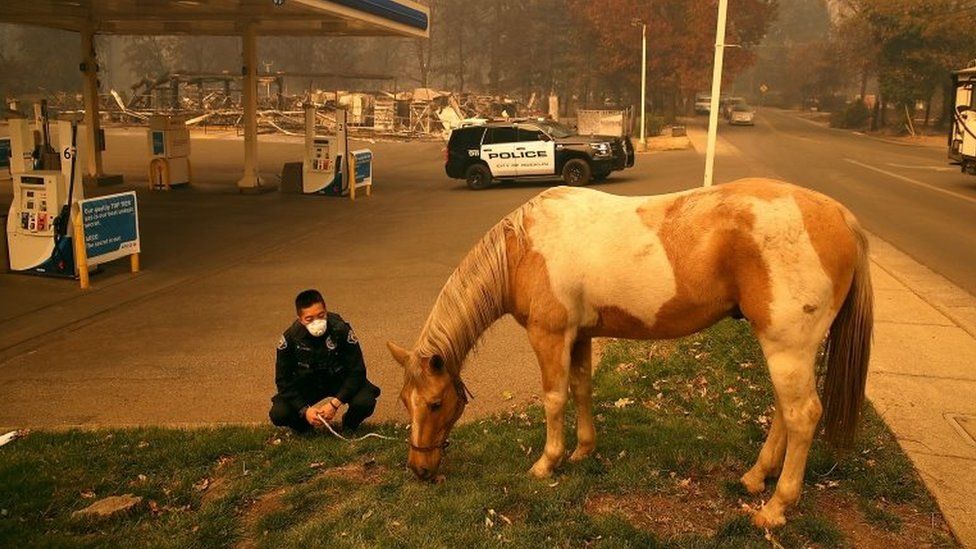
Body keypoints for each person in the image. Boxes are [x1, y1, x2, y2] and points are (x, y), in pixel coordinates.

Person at [269, 289, 380, 433]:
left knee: (365, 401)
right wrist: (304, 410)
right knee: (279, 413)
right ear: (300, 319)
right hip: (308, 383)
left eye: (321, 316)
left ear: (326, 311)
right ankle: (306, 427)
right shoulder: (290, 339)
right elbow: (283, 381)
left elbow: (357, 370)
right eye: (309, 319)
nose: (317, 322)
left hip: (339, 379)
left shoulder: (340, 329)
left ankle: (349, 426)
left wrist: (334, 404)